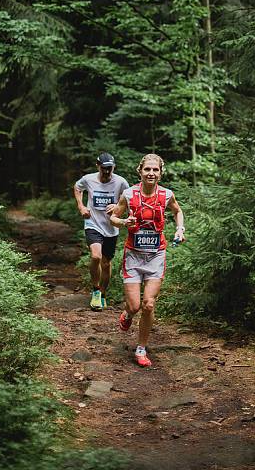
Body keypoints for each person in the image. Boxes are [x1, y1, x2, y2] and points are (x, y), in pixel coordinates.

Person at [109, 153, 185, 367]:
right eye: (147, 169)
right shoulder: (129, 194)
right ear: (140, 171)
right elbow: (113, 217)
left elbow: (178, 212)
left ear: (161, 173)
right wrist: (125, 222)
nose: (151, 173)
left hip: (156, 256)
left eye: (155, 170)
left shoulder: (167, 194)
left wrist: (180, 228)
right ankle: (127, 314)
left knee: (149, 304)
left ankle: (141, 348)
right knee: (134, 306)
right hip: (133, 256)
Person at [74, 152, 129, 311]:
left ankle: (103, 294)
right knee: (96, 256)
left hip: (111, 227)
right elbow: (77, 188)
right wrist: (81, 206)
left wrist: (118, 207)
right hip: (93, 224)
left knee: (106, 263)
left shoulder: (121, 182)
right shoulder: (88, 179)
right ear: (98, 166)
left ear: (114, 167)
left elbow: (130, 200)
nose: (106, 171)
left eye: (110, 168)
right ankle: (96, 290)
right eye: (104, 168)